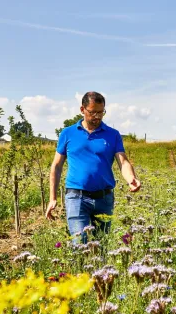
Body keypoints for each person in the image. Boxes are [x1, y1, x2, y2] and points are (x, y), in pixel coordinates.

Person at [46, 91, 141, 243]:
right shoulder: (67, 133)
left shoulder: (113, 134)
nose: (97, 116)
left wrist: (131, 178)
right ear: (82, 109)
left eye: (101, 112)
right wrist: (52, 198)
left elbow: (122, 161)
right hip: (76, 197)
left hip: (104, 198)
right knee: (80, 245)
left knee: (101, 246)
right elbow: (57, 166)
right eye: (92, 112)